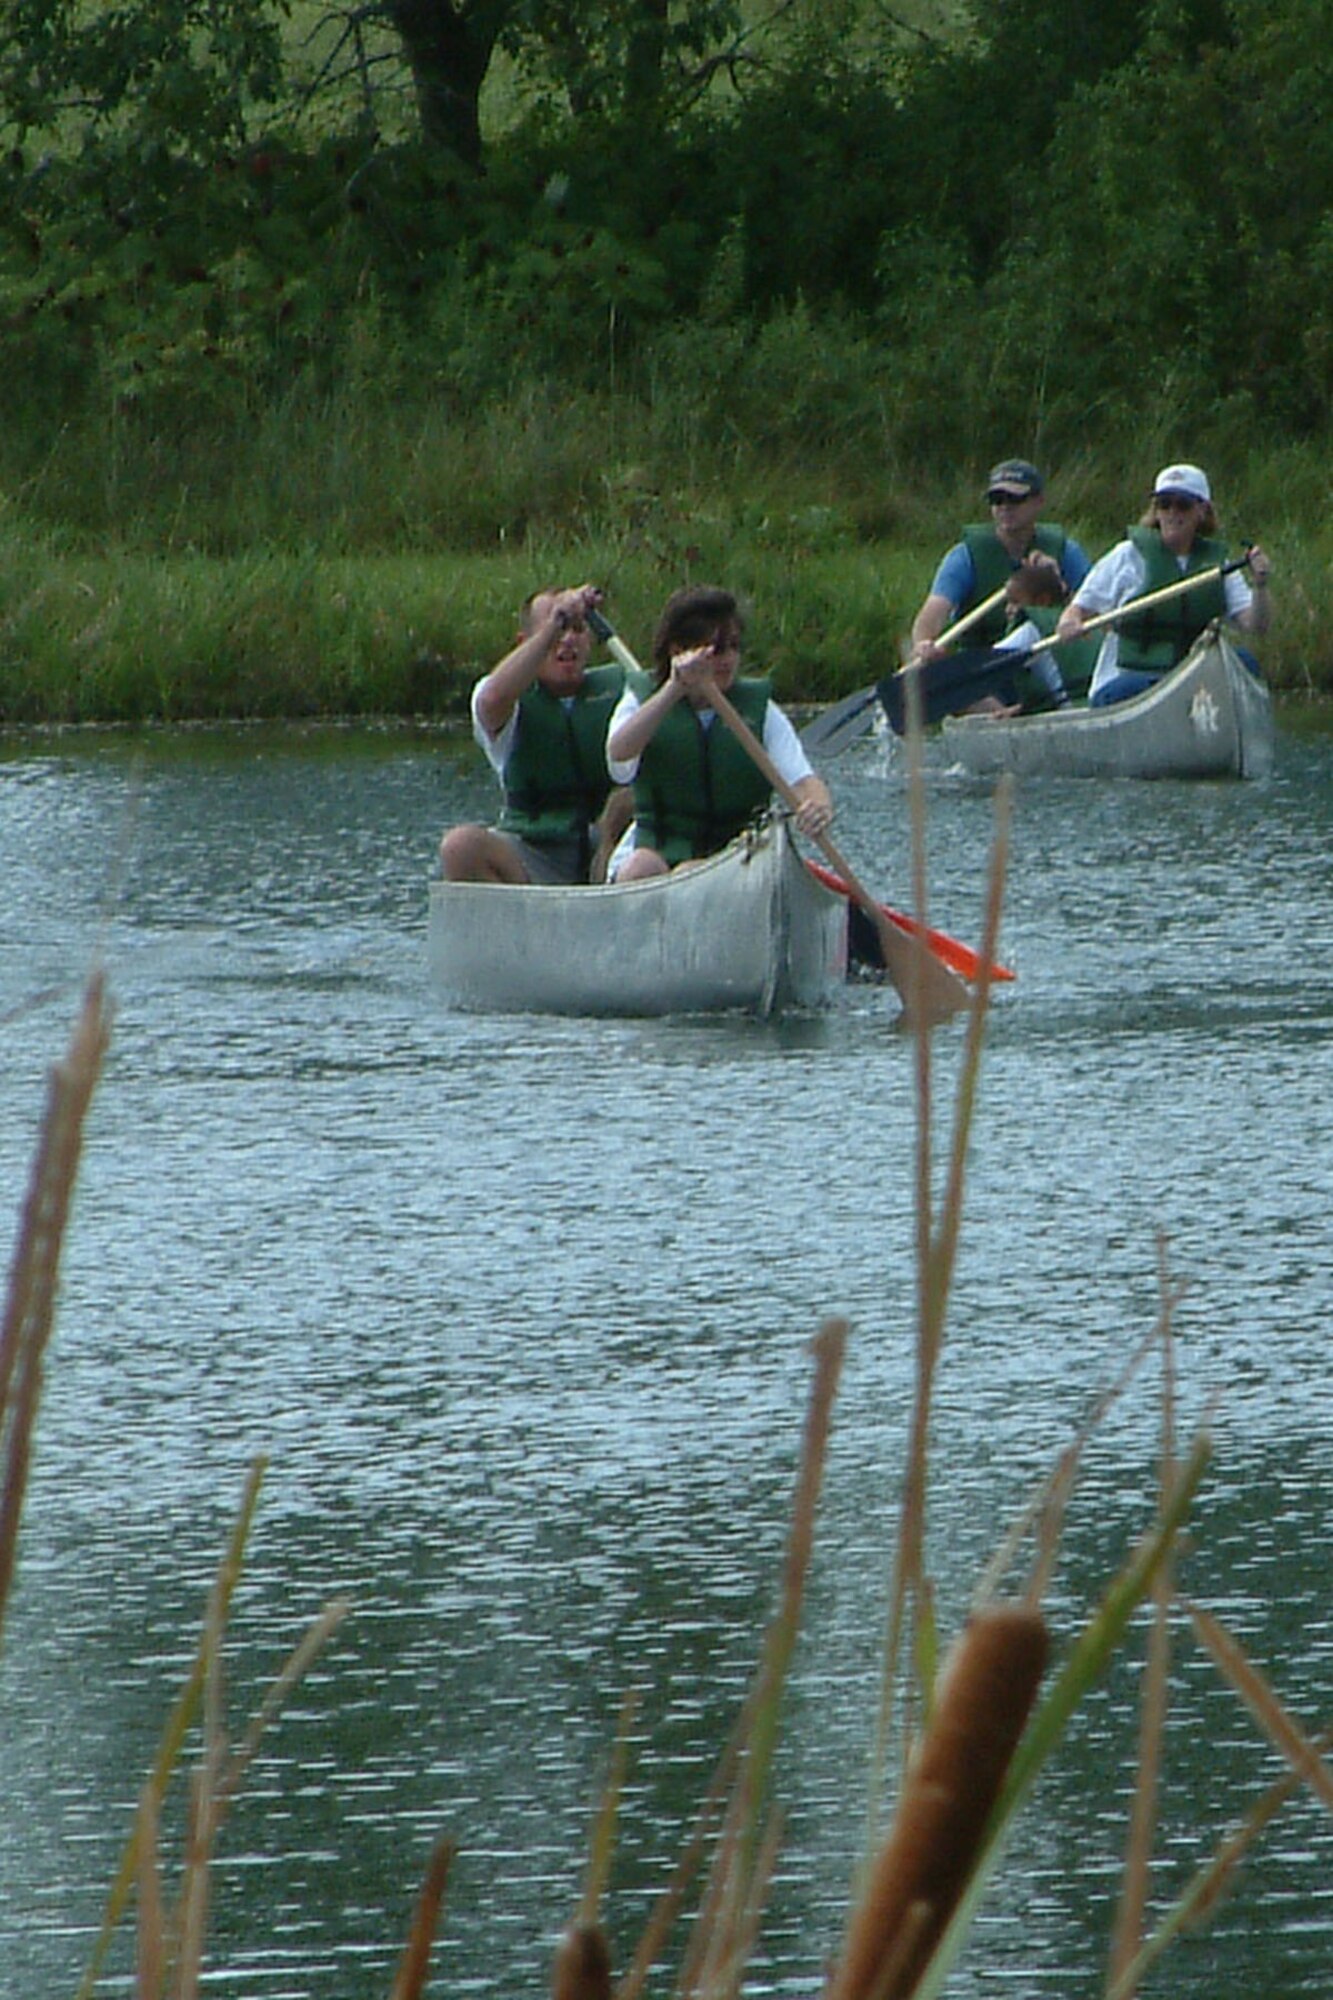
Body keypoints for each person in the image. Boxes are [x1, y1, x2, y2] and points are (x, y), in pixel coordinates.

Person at [604, 585, 833, 881]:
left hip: (734, 856)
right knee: (641, 868)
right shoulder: (641, 698)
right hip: (658, 848)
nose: (727, 660)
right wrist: (674, 689)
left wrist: (818, 807)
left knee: (690, 874)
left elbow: (803, 782)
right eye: (715, 649)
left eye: (734, 647)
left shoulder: (760, 711)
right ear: (678, 652)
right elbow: (619, 755)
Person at [439, 583, 632, 885]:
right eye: (558, 630)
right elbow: (491, 702)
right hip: (535, 849)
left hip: (610, 844)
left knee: (629, 806)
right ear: (526, 642)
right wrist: (555, 623)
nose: (567, 640)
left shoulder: (625, 688)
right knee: (459, 846)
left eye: (578, 629)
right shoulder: (501, 697)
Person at [1055, 464, 1273, 708]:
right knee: (1127, 691)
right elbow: (1076, 610)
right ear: (1156, 511)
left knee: (1245, 662)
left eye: (1183, 505)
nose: (1172, 512)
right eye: (1164, 504)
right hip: (1133, 677)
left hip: (1193, 676)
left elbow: (1256, 625)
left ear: (1202, 511)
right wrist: (1069, 623)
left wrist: (1260, 585)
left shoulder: (1217, 565)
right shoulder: (1127, 556)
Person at [908, 458, 1094, 711]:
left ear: (1039, 501)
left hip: (1046, 664)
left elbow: (1096, 615)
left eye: (1015, 499)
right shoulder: (965, 557)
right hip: (986, 669)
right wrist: (924, 645)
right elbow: (932, 615)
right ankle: (997, 713)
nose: (1005, 507)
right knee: (943, 673)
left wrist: (1057, 582)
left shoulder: (1066, 553)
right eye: (997, 500)